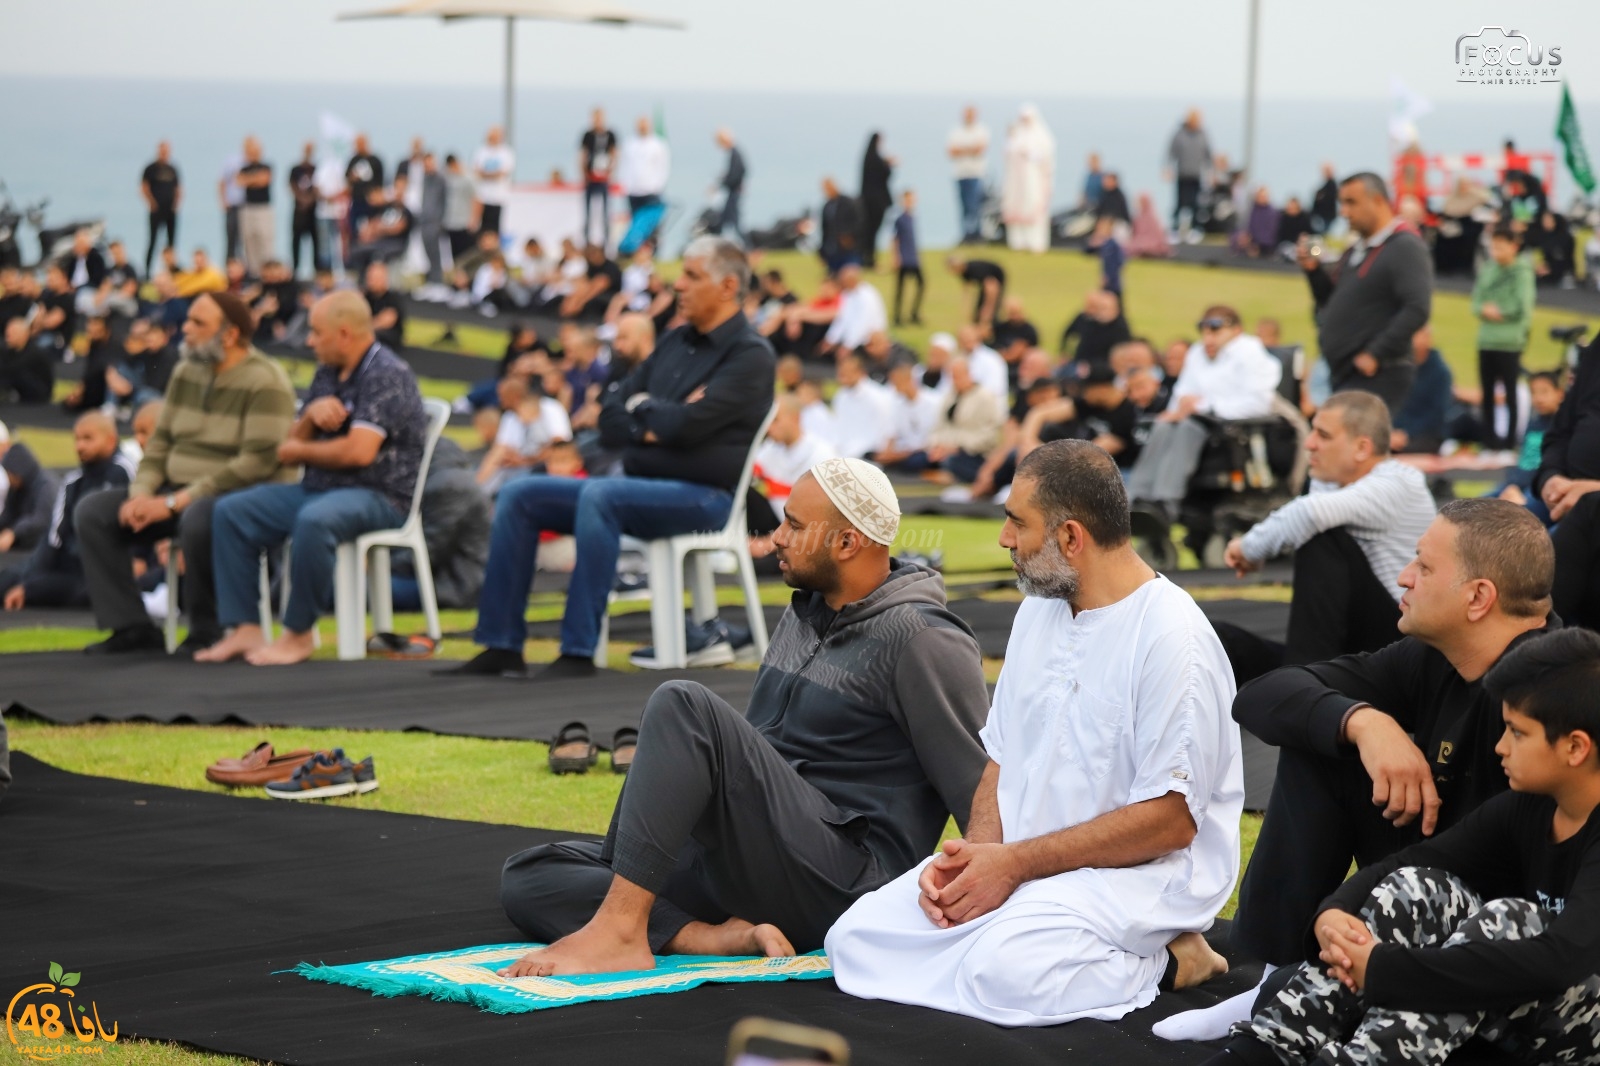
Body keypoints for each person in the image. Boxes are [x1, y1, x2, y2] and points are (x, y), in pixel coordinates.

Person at [497, 457, 991, 975]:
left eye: (794, 526)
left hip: (843, 881)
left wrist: (975, 912)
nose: (775, 537)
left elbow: (980, 789)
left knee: (684, 703)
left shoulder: (923, 639)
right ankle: (704, 938)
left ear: (847, 544)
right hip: (757, 863)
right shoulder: (805, 611)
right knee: (530, 873)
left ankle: (622, 930)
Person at [827, 440, 1241, 1025]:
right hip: (1028, 864)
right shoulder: (1039, 610)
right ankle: (1013, 942)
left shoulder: (1174, 639)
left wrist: (1015, 865)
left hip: (1136, 877)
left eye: (1016, 522)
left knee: (1004, 974)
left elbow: (1171, 820)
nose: (1003, 539)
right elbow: (1002, 756)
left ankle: (1171, 960)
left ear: (1071, 538)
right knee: (856, 939)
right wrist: (979, 858)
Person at [1205, 627, 1600, 1066]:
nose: (1499, 746)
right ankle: (1263, 1050)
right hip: (1511, 1007)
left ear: (1575, 747)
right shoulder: (1526, 808)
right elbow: (1414, 862)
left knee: (1511, 921)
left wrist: (1380, 969)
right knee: (1418, 889)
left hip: (1580, 1035)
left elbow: (1561, 961)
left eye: (1516, 733)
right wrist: (1334, 913)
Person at [1228, 499, 1556, 973]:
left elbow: (1520, 864)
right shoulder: (1434, 656)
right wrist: (1366, 723)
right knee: (1321, 742)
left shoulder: (1550, 689)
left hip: (1500, 924)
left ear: (1478, 597)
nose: (1404, 576)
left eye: (1423, 565)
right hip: (1423, 877)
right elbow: (1263, 695)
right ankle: (1264, 969)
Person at [441, 238, 774, 681]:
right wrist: (652, 414)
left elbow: (683, 426)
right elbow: (612, 412)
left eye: (692, 276)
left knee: (601, 494)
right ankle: (501, 645)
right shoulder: (675, 340)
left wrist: (647, 409)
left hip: (707, 499)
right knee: (521, 493)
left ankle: (578, 652)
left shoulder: (750, 355)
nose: (679, 286)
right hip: (638, 484)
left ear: (729, 285)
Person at [197, 291, 425, 667]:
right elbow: (288, 445)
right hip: (320, 489)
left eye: (317, 332)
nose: (309, 341)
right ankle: (245, 627)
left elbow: (358, 452)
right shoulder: (327, 372)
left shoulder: (388, 375)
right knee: (232, 512)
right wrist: (309, 417)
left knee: (316, 520)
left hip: (379, 496)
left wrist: (302, 451)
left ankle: (298, 635)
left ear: (345, 334)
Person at [75, 292, 297, 655]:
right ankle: (132, 628)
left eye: (198, 323)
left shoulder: (266, 381)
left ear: (228, 334)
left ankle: (208, 629)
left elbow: (257, 462)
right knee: (95, 511)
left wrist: (176, 501)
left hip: (238, 495)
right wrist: (141, 494)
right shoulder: (186, 371)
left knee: (200, 517)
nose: (185, 330)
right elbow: (159, 444)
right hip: (174, 489)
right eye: (188, 320)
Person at [1220, 392, 1437, 674]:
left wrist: (1246, 549)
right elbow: (1306, 513)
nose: (1309, 444)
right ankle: (1302, 678)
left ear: (1361, 448)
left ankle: (1303, 687)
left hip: (1402, 646)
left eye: (1323, 435)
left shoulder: (1399, 483)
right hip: (1352, 645)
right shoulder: (1331, 484)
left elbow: (1308, 514)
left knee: (1320, 539)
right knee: (1218, 640)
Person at [1125, 306, 1281, 524]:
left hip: (1229, 429)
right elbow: (1182, 393)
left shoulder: (1250, 353)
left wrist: (1205, 405)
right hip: (1193, 420)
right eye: (1204, 331)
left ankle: (1165, 502)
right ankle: (1136, 500)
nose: (1208, 338)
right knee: (1163, 426)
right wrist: (1177, 410)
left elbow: (1259, 403)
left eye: (1216, 331)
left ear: (1236, 330)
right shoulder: (1198, 353)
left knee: (1187, 428)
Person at [1297, 172, 1432, 411]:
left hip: (1378, 375)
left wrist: (1375, 353)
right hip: (1346, 374)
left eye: (1351, 202)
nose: (1344, 212)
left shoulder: (1404, 246)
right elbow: (1331, 300)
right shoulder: (1357, 249)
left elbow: (1417, 307)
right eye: (1342, 203)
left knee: (1358, 445)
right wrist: (1314, 272)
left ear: (1378, 201)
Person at [1, 413, 135, 611]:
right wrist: (31, 577)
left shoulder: (123, 472)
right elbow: (54, 539)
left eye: (88, 438)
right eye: (77, 439)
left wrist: (31, 586)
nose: (80, 446)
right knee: (8, 579)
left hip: (95, 571)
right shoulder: (74, 480)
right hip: (65, 565)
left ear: (110, 441)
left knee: (79, 592)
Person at [1471, 225, 1536, 450]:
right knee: (1487, 393)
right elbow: (1477, 301)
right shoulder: (1488, 269)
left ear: (1513, 247)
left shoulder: (1522, 272)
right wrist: (1486, 310)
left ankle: (1510, 441)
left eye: (1500, 247)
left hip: (1510, 342)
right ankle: (1489, 440)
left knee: (1510, 393)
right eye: (1493, 247)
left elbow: (1521, 306)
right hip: (1486, 340)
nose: (1495, 252)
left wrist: (1498, 311)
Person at [1534, 333, 1600, 524]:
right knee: (1478, 531)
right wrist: (1549, 478)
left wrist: (1593, 490)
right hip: (1560, 494)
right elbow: (1559, 433)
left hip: (1591, 510)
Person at [924, 358, 1006, 484]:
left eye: (957, 376)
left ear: (968, 374)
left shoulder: (985, 397)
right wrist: (937, 445)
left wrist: (957, 447)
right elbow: (941, 425)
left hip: (975, 453)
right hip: (948, 447)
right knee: (923, 458)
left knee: (952, 461)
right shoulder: (950, 396)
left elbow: (989, 435)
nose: (954, 381)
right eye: (952, 377)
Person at [1391, 325, 1456, 454]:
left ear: (1428, 339)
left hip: (1426, 436)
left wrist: (1406, 434)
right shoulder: (1397, 367)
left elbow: (1437, 414)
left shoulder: (1440, 373)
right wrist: (1390, 433)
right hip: (1394, 434)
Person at [1001, 104, 1055, 253]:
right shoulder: (1016, 135)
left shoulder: (1041, 136)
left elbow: (1045, 157)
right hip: (1015, 182)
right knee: (1016, 211)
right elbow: (1007, 153)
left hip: (1033, 181)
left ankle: (1037, 243)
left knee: (1034, 209)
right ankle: (1017, 242)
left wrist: (1029, 154)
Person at [827, 353, 894, 461]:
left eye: (846, 373)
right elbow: (838, 427)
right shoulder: (840, 396)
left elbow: (888, 429)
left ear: (860, 373)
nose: (842, 377)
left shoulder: (877, 396)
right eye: (841, 373)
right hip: (844, 452)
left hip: (870, 454)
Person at [0, 436, 59, 553]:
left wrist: (13, 533)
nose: (9, 478)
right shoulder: (17, 487)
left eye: (10, 473)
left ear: (20, 470)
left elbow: (41, 519)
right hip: (24, 544)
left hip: (45, 546)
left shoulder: (46, 486)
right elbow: (8, 514)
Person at [818, 263, 886, 358]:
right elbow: (842, 319)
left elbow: (863, 324)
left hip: (868, 340)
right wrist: (830, 339)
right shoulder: (847, 294)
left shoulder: (867, 296)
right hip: (852, 339)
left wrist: (848, 346)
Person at [1167, 109, 1213, 239]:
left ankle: (1195, 229)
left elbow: (1208, 154)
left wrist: (1210, 172)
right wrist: (1168, 169)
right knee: (1179, 202)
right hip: (1182, 174)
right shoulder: (1180, 134)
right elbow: (1171, 152)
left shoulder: (1203, 134)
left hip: (1196, 174)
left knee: (1196, 203)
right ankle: (1175, 229)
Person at [1058, 289, 1131, 370]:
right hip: (1080, 364)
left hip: (1104, 370)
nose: (1101, 312)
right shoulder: (1088, 320)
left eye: (1104, 308)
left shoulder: (1120, 328)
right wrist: (1065, 352)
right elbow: (1068, 333)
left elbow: (1120, 358)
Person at [948, 105, 990, 243]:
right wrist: (970, 149)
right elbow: (951, 151)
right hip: (960, 174)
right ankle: (966, 234)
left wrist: (962, 149)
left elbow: (980, 149)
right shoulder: (956, 131)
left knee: (975, 205)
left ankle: (976, 234)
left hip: (975, 173)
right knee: (964, 206)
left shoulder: (981, 130)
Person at [618, 115, 669, 223]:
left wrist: (658, 186)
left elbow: (663, 167)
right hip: (633, 191)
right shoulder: (629, 143)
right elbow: (624, 165)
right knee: (636, 222)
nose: (642, 127)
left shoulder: (658, 145)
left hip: (651, 191)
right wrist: (625, 185)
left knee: (652, 223)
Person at [141, 141, 181, 276]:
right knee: (153, 241)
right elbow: (144, 187)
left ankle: (171, 271)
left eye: (167, 150)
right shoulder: (150, 168)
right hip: (156, 210)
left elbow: (178, 188)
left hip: (170, 210)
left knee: (171, 243)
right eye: (162, 150)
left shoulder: (172, 168)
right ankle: (147, 273)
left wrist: (176, 204)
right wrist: (151, 203)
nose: (164, 153)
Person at [235, 137, 274, 276]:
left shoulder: (266, 166)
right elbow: (239, 181)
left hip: (263, 208)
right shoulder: (244, 168)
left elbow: (264, 180)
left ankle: (268, 271)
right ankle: (253, 272)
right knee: (249, 240)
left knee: (264, 239)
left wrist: (249, 180)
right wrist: (254, 179)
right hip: (248, 208)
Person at [579, 109, 618, 247]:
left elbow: (614, 153)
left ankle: (607, 242)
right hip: (591, 179)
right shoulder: (587, 135)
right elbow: (582, 155)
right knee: (588, 213)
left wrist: (610, 171)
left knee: (606, 212)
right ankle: (586, 241)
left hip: (604, 179)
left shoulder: (610, 135)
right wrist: (584, 174)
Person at [858, 133, 895, 269]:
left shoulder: (868, 158)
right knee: (871, 231)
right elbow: (885, 174)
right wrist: (888, 163)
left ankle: (867, 257)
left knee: (869, 231)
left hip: (868, 201)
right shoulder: (876, 159)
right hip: (876, 202)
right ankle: (868, 258)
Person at [945, 254, 1005, 332]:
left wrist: (988, 309)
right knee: (978, 313)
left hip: (996, 280)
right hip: (985, 285)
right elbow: (966, 291)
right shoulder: (963, 273)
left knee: (989, 315)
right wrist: (967, 311)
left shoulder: (976, 270)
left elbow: (992, 290)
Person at [286, 141, 320, 277]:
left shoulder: (317, 168)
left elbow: (319, 186)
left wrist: (310, 199)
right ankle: (295, 269)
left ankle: (317, 269)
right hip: (299, 211)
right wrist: (302, 199)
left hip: (313, 212)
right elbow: (291, 185)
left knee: (316, 240)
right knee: (296, 240)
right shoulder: (296, 169)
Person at [473, 126, 515, 237]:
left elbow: (502, 173)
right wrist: (491, 174)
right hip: (482, 198)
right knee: (482, 231)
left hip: (498, 198)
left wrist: (486, 174)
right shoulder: (481, 151)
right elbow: (476, 172)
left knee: (494, 231)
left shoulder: (506, 152)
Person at [0, 318, 53, 403]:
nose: (8, 336)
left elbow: (13, 369)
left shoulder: (36, 353)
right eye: (7, 332)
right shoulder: (8, 350)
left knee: (16, 372)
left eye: (13, 333)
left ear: (25, 334)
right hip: (18, 391)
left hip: (38, 397)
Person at [818, 177, 862, 275]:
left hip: (849, 250)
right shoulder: (827, 206)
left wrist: (850, 237)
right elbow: (825, 230)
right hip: (832, 250)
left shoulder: (848, 203)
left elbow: (859, 222)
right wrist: (822, 253)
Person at [891, 190, 922, 326]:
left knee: (921, 284)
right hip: (904, 258)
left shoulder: (912, 218)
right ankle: (897, 317)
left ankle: (914, 314)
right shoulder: (900, 219)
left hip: (913, 258)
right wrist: (896, 257)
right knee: (900, 289)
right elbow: (895, 239)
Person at [345, 134, 385, 234]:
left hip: (372, 202)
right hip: (357, 200)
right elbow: (347, 178)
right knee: (353, 227)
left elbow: (380, 182)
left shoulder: (375, 161)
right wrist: (353, 177)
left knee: (373, 227)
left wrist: (376, 197)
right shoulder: (353, 160)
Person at [712, 128, 746, 245]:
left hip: (733, 192)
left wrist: (727, 182)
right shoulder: (734, 153)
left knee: (732, 222)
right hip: (733, 191)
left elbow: (740, 171)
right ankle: (717, 246)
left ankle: (749, 246)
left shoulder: (735, 153)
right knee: (726, 221)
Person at [362, 262, 404, 351]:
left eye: (375, 278)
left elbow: (387, 320)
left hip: (388, 338)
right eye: (370, 278)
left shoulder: (392, 298)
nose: (371, 281)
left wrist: (364, 328)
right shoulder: (365, 297)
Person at [441, 154, 474, 258]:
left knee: (466, 253)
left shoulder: (468, 178)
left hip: (464, 222)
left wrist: (474, 219)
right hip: (450, 222)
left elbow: (476, 199)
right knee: (454, 253)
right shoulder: (447, 179)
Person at [1126, 192, 1173, 258]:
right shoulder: (1138, 217)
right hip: (1139, 240)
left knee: (1144, 245)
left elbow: (1158, 235)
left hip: (1153, 241)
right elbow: (1134, 233)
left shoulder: (1153, 217)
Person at [1310, 162, 1339, 234]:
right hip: (1322, 216)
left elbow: (1328, 199)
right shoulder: (1327, 185)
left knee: (1324, 235)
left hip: (1326, 215)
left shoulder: (1331, 185)